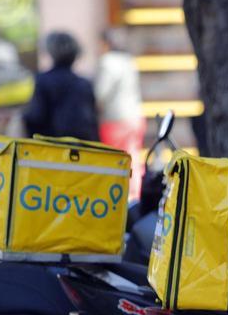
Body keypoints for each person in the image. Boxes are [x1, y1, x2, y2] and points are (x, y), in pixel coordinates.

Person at [94, 28, 145, 197]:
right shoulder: (128, 61)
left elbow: (100, 94)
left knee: (115, 159)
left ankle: (119, 195)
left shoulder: (107, 62)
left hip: (114, 120)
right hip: (134, 116)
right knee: (133, 158)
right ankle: (135, 193)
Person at [23, 31, 99, 141]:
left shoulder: (43, 80)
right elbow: (92, 122)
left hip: (52, 148)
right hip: (82, 148)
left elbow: (36, 117)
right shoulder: (84, 83)